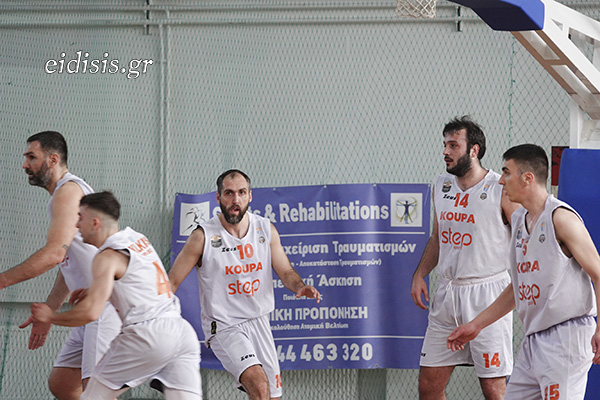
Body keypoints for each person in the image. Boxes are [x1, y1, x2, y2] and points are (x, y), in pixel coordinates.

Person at [448, 144, 600, 399]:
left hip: (566, 335)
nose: (501, 181)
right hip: (533, 339)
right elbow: (517, 287)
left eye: (507, 172)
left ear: (527, 178)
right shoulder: (519, 221)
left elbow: (598, 273)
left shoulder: (560, 218)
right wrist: (476, 325)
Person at [31, 191, 202, 399]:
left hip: (147, 335)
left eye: (80, 218)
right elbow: (139, 278)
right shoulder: (137, 238)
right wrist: (98, 289)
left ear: (95, 223)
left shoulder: (106, 257)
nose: (76, 224)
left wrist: (50, 317)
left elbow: (90, 313)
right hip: (181, 333)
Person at [168, 169, 321, 400]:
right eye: (229, 193)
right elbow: (172, 282)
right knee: (258, 384)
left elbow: (286, 271)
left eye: (241, 192)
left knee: (270, 395)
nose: (235, 199)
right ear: (218, 197)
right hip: (224, 325)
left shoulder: (265, 229)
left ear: (250, 196)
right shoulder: (202, 236)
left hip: (259, 322)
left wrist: (300, 286)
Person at [0, 131, 120, 400]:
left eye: (32, 157)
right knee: (63, 383)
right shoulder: (64, 195)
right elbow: (68, 262)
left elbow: (54, 253)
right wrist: (50, 310)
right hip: (87, 306)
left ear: (53, 159)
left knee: (96, 392)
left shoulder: (68, 192)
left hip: (105, 304)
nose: (25, 164)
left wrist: (3, 280)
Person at [410, 116, 520, 400]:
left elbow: (524, 240)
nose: (445, 151)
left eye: (453, 145)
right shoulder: (441, 185)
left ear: (474, 150)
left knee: (493, 387)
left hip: (488, 293)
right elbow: (438, 238)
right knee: (429, 384)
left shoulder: (500, 188)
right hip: (448, 293)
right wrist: (420, 274)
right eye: (445, 144)